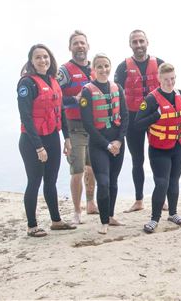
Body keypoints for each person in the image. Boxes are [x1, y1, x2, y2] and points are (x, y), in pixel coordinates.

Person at [17, 44, 77, 237]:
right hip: (31, 141)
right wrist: (38, 147)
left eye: (45, 57)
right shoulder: (27, 83)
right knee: (34, 181)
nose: (43, 60)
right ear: (31, 61)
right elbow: (26, 117)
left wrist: (66, 138)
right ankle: (32, 225)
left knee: (51, 181)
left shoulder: (53, 80)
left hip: (52, 137)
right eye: (38, 57)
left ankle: (56, 221)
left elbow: (61, 112)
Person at [134, 63, 181, 233]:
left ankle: (173, 213)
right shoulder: (151, 100)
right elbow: (138, 124)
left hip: (179, 145)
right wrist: (156, 115)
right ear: (159, 79)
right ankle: (154, 219)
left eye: (173, 79)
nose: (170, 82)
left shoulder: (180, 94)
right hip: (159, 149)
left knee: (174, 181)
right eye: (167, 79)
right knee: (162, 183)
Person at [114, 30, 164, 213]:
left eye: (141, 41)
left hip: (155, 118)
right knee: (137, 160)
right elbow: (116, 95)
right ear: (130, 45)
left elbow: (169, 87)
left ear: (147, 42)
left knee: (158, 157)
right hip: (134, 119)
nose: (139, 45)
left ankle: (161, 198)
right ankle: (139, 200)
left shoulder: (159, 63)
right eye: (135, 42)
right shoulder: (122, 67)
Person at [80, 54, 129, 234]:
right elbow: (87, 124)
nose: (103, 70)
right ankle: (103, 223)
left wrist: (119, 140)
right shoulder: (87, 91)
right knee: (104, 181)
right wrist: (107, 145)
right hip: (99, 144)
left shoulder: (118, 88)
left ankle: (110, 215)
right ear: (94, 69)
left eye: (106, 66)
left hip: (117, 141)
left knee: (114, 181)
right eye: (99, 67)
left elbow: (125, 116)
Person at [57, 30, 97, 224]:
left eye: (83, 43)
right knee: (78, 169)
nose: (80, 46)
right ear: (70, 47)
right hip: (74, 125)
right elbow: (55, 98)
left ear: (88, 46)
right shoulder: (64, 71)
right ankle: (76, 211)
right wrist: (73, 99)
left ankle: (91, 203)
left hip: (95, 125)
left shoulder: (95, 68)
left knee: (93, 166)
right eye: (76, 43)